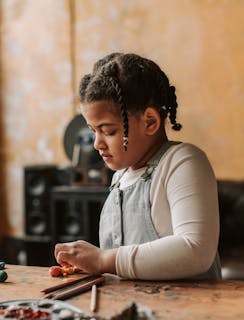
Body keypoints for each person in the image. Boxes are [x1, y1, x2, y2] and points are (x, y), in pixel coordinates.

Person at [54, 52, 221, 280]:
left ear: (150, 121)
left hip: (187, 311)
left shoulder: (183, 162)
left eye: (108, 131)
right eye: (93, 131)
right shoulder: (120, 177)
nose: (97, 144)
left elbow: (196, 250)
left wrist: (104, 260)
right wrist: (90, 263)